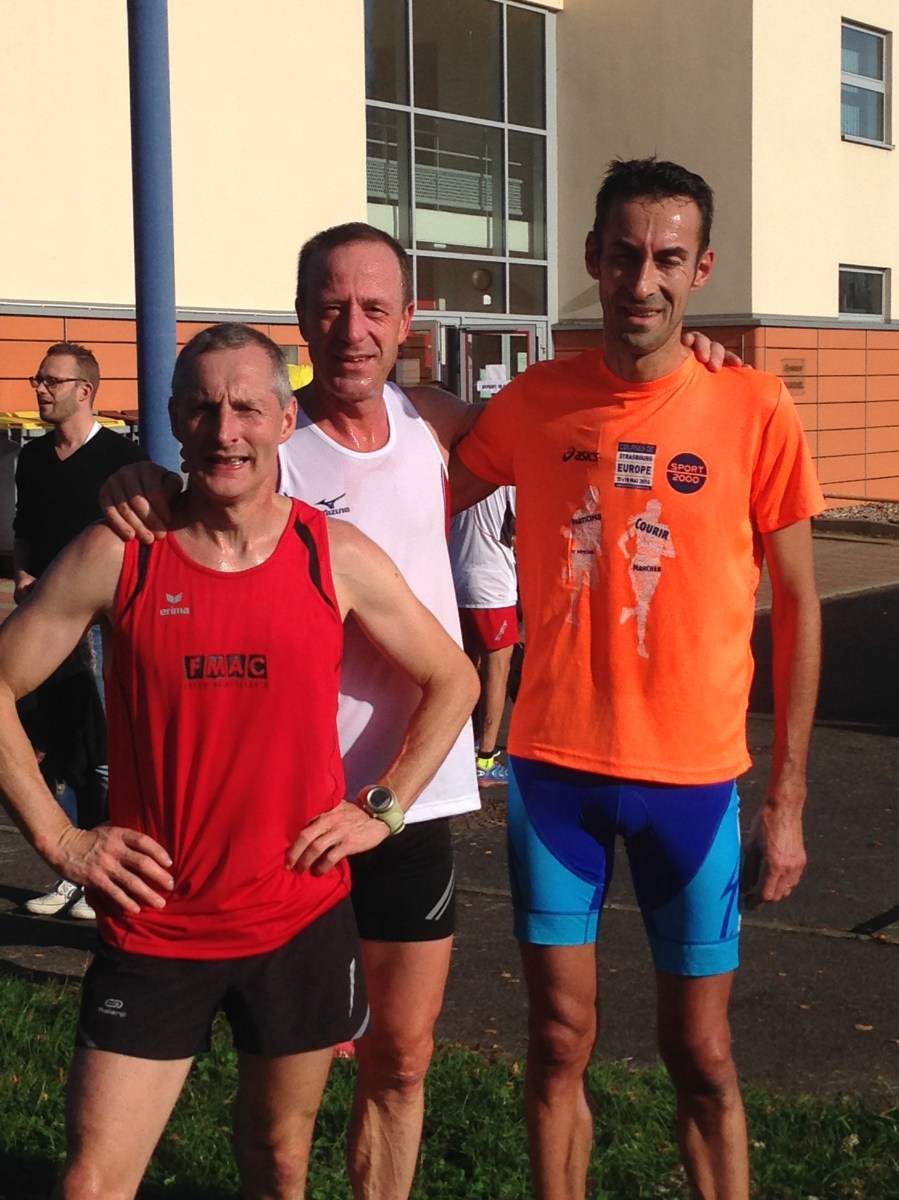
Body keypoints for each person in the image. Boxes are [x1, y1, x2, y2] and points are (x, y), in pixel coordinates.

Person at [100, 222, 740, 1200]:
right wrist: (135, 479)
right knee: (283, 1090)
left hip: (407, 803)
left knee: (400, 1060)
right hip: (291, 813)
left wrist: (689, 351)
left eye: (373, 309)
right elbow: (179, 494)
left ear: (408, 321)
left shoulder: (434, 423)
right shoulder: (264, 439)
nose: (351, 330)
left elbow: (586, 403)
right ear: (301, 317)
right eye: (330, 308)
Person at [0, 323, 478, 1200]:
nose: (226, 431)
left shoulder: (330, 554)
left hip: (295, 919)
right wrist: (60, 840)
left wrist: (380, 808)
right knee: (91, 1184)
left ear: (285, 420)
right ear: (173, 420)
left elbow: (454, 678)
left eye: (248, 408)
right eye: (204, 409)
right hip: (156, 922)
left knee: (279, 1164)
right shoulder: (122, 551)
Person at [450, 159, 823, 1200]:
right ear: (592, 259)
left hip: (692, 783)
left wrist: (787, 798)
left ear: (700, 268)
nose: (641, 281)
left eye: (666, 258)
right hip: (553, 773)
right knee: (557, 1037)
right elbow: (407, 482)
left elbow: (800, 609)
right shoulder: (534, 400)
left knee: (701, 1053)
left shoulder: (752, 405)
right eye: (623, 256)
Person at [14, 342, 147, 920]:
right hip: (42, 626)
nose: (41, 389)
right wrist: (24, 573)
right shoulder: (33, 457)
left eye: (52, 380)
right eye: (37, 380)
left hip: (99, 629)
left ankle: (106, 872)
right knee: (51, 747)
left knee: (104, 749)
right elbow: (24, 526)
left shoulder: (120, 460)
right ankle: (70, 871)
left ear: (84, 390)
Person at [449, 486, 518, 784]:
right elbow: (522, 525)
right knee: (497, 673)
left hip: (454, 578)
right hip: (491, 586)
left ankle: (455, 752)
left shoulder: (454, 471)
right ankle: (485, 761)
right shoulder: (504, 478)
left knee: (463, 672)